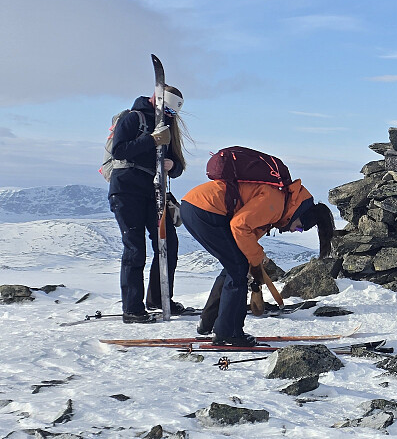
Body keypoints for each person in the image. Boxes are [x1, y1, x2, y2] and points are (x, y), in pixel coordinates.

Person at [180, 178, 335, 346]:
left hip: (196, 206)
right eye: (299, 227)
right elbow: (239, 226)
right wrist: (257, 257)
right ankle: (229, 333)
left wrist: (252, 259)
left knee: (235, 266)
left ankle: (207, 323)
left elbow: (246, 237)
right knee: (238, 269)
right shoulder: (276, 204)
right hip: (205, 209)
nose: (294, 231)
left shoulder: (280, 205)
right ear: (299, 214)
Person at [108, 85, 189, 324]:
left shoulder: (166, 127)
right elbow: (119, 151)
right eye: (168, 110)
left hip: (153, 191)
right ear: (156, 99)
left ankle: (159, 298)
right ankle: (132, 308)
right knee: (135, 248)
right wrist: (151, 140)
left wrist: (172, 166)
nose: (170, 116)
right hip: (127, 189)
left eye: (173, 113)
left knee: (168, 242)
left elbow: (177, 165)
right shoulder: (133, 118)